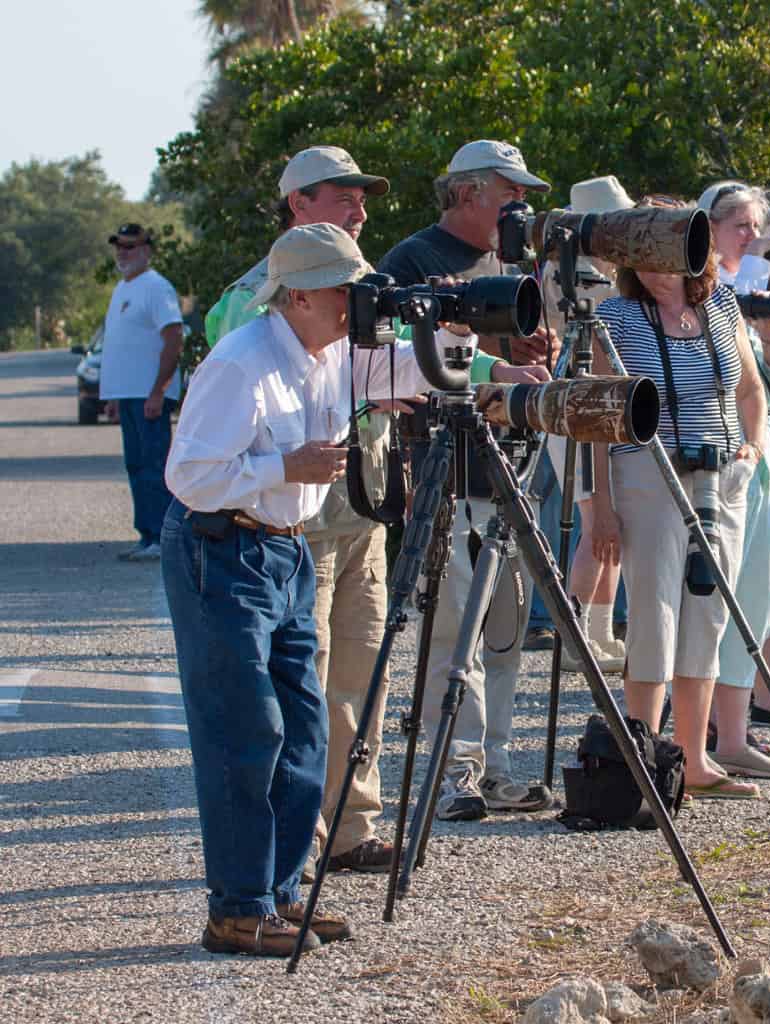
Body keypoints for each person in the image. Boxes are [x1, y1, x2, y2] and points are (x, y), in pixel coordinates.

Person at [160, 223, 522, 955]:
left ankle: (283, 895)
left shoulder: (330, 353)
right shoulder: (241, 363)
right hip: (223, 547)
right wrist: (281, 468)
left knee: (304, 730)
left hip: (284, 551)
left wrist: (461, 338)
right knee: (246, 732)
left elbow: (418, 374)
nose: (361, 300)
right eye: (344, 289)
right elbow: (188, 478)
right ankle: (236, 907)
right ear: (297, 296)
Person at [202, 145, 404, 878]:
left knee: (361, 672)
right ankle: (299, 843)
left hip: (361, 508)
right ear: (298, 205)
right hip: (296, 522)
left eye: (363, 196)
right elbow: (245, 408)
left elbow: (398, 366)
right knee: (305, 681)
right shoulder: (251, 300)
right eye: (343, 196)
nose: (360, 209)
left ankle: (352, 825)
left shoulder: (363, 291)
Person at [376, 139, 560, 821]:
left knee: (506, 627)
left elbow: (536, 349)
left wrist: (535, 348)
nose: (521, 206)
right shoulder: (413, 260)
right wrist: (490, 361)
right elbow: (399, 354)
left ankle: (500, 765)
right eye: (510, 191)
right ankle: (456, 769)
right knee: (449, 625)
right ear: (469, 191)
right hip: (441, 466)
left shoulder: (515, 263)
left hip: (510, 461)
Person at [590, 194, 769, 800]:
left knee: (709, 612)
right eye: (639, 250)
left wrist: (754, 446)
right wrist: (604, 506)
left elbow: (749, 388)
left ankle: (692, 759)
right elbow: (598, 417)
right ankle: (645, 759)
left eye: (661, 245)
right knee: (654, 614)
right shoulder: (614, 317)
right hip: (647, 471)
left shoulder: (720, 304)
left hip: (720, 476)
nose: (652, 262)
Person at [699, 181, 770, 777]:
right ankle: (701, 729)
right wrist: (760, 259)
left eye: (755, 224)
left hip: (764, 458)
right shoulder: (706, 292)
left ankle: (734, 735)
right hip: (719, 458)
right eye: (738, 224)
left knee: (756, 598)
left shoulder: (753, 295)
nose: (749, 234)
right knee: (714, 599)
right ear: (706, 228)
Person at [542, 175, 632, 675]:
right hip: (581, 392)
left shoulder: (601, 270)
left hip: (608, 394)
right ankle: (575, 635)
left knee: (613, 526)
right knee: (594, 520)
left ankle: (598, 632)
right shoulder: (573, 272)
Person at [100, 223, 182, 561]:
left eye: (130, 246)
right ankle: (147, 536)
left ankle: (164, 538)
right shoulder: (122, 288)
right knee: (136, 465)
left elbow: (174, 336)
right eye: (119, 246)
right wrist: (115, 396)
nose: (123, 252)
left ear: (147, 250)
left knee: (154, 466)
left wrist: (159, 391)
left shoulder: (156, 287)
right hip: (129, 395)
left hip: (150, 396)